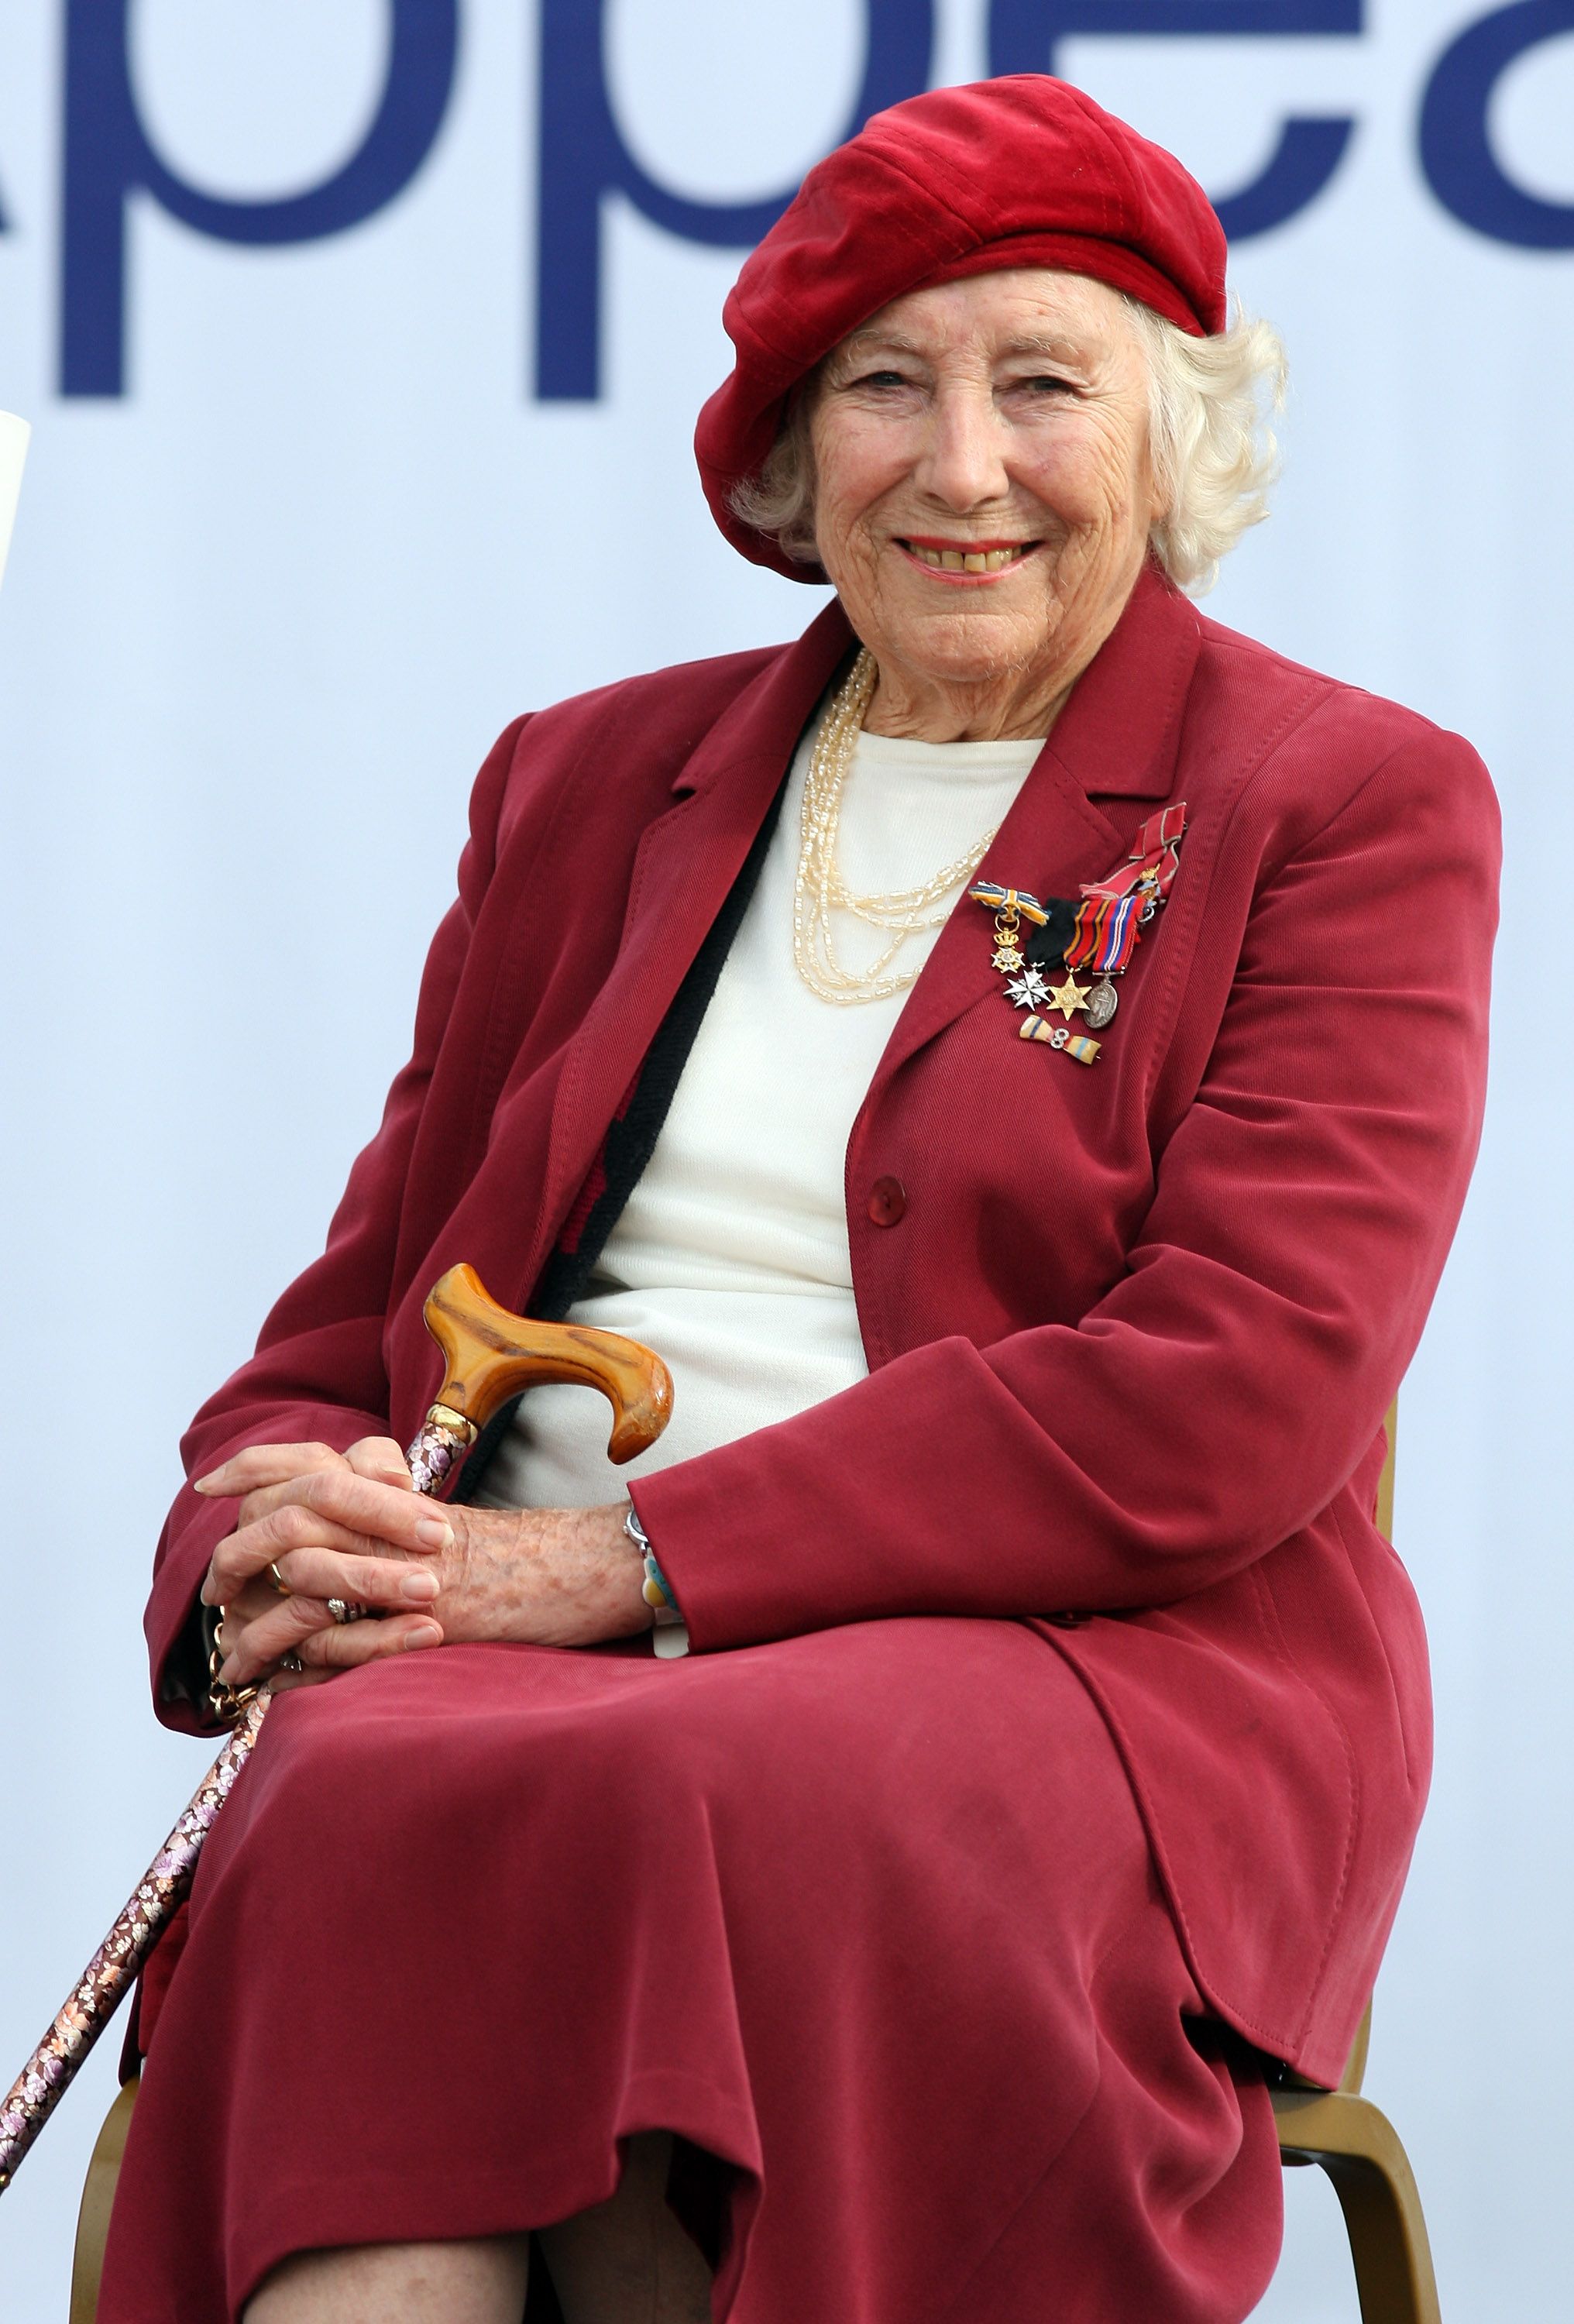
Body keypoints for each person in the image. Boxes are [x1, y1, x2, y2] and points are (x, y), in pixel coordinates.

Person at [98, 73, 1499, 2324]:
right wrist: (266, 1544)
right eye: (885, 389)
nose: (962, 468)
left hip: (1090, 1667)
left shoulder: (1342, 801)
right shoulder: (583, 780)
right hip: (514, 1658)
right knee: (363, 1784)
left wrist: (608, 1572)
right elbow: (354, 1319)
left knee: (713, 1796)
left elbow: (1232, 1394)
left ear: (1172, 436)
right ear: (789, 454)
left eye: (1044, 382)